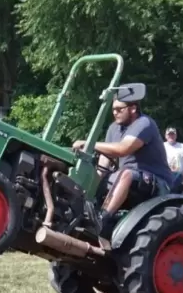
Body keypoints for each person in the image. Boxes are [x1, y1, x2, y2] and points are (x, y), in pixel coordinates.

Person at [72, 88, 173, 236]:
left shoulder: (144, 123)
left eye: (119, 109)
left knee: (125, 174)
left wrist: (88, 144)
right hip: (128, 178)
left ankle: (101, 220)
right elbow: (104, 162)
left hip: (157, 182)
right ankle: (80, 214)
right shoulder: (114, 128)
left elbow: (122, 149)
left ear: (133, 108)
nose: (115, 113)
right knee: (97, 175)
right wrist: (93, 180)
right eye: (113, 109)